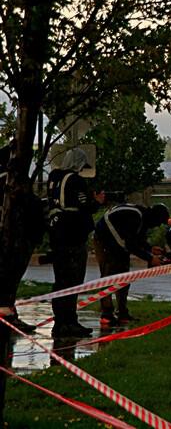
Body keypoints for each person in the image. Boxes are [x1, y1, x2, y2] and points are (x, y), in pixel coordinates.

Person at [46, 148, 104, 337]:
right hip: (72, 235)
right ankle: (69, 322)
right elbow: (83, 206)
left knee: (60, 280)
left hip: (56, 234)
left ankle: (59, 321)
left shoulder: (54, 179)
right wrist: (96, 202)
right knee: (73, 280)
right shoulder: (75, 180)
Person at [93, 203, 170, 326]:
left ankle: (122, 312)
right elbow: (131, 245)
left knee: (124, 277)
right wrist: (150, 258)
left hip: (117, 241)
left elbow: (137, 239)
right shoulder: (135, 217)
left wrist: (150, 249)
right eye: (159, 222)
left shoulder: (142, 217)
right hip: (104, 240)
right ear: (154, 218)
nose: (157, 226)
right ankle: (106, 314)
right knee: (109, 277)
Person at [0, 143, 43, 334]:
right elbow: (30, 206)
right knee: (8, 280)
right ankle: (7, 316)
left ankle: (9, 314)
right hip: (15, 239)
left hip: (17, 237)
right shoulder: (10, 182)